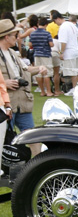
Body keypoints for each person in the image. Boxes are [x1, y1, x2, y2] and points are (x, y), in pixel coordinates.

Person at [0, 18, 49, 151]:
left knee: (33, 137)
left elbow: (26, 71)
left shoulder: (12, 53)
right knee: (4, 141)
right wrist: (4, 83)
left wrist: (39, 68)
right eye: (16, 35)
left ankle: (38, 167)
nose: (18, 38)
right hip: (5, 105)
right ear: (6, 37)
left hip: (23, 102)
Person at [27, 16, 55, 96]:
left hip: (36, 54)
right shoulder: (47, 33)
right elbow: (51, 44)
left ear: (38, 24)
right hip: (46, 54)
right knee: (47, 73)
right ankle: (48, 91)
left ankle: (42, 91)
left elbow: (30, 44)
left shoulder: (33, 33)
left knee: (39, 72)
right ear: (46, 24)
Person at [56, 14, 78, 91]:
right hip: (75, 50)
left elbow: (63, 42)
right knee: (75, 72)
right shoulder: (71, 24)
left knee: (73, 72)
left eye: (55, 21)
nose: (55, 23)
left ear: (58, 19)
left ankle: (75, 89)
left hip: (69, 52)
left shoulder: (63, 27)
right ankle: (75, 89)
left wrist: (61, 52)